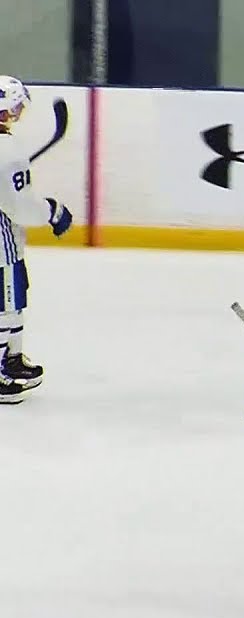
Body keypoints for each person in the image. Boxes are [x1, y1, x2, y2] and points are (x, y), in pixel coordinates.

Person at [0, 75, 74, 404]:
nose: (17, 114)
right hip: (2, 246)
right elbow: (21, 209)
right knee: (5, 305)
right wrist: (53, 212)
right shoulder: (8, 152)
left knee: (12, 302)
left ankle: (11, 358)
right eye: (14, 108)